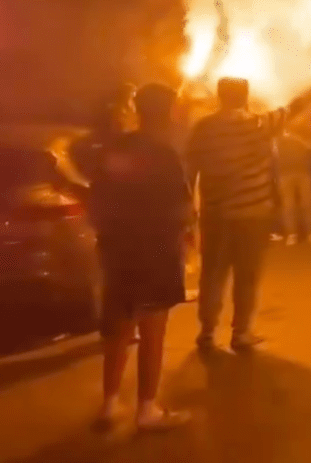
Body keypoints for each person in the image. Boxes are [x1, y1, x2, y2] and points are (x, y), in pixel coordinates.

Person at [187, 67, 311, 351]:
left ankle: (207, 333)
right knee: (247, 276)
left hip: (215, 215)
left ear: (220, 97)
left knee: (212, 275)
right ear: (245, 98)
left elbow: (190, 167)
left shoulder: (203, 128)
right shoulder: (260, 124)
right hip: (252, 216)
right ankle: (241, 333)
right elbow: (297, 105)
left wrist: (189, 207)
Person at [90, 83, 192, 431]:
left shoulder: (116, 148)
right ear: (168, 111)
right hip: (156, 251)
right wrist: (186, 239)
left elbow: (97, 198)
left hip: (118, 251)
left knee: (118, 329)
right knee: (152, 330)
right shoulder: (165, 154)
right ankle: (147, 409)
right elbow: (181, 207)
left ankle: (108, 405)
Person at [276, 128, 311, 246]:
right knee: (294, 205)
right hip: (293, 172)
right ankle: (301, 234)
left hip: (296, 172)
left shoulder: (300, 135)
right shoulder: (283, 137)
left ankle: (302, 234)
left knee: (301, 204)